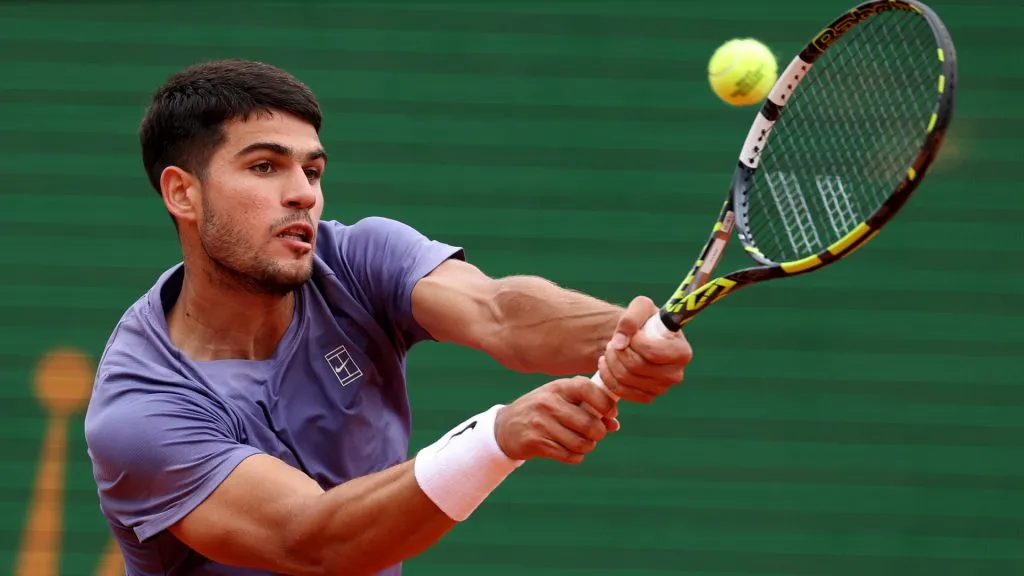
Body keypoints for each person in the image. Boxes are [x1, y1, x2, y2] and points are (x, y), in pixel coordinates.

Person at [83, 59, 694, 576]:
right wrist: (497, 436)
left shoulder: (352, 258)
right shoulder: (140, 414)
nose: (303, 193)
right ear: (182, 193)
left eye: (313, 170)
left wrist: (622, 335)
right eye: (265, 166)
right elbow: (315, 539)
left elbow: (498, 311)